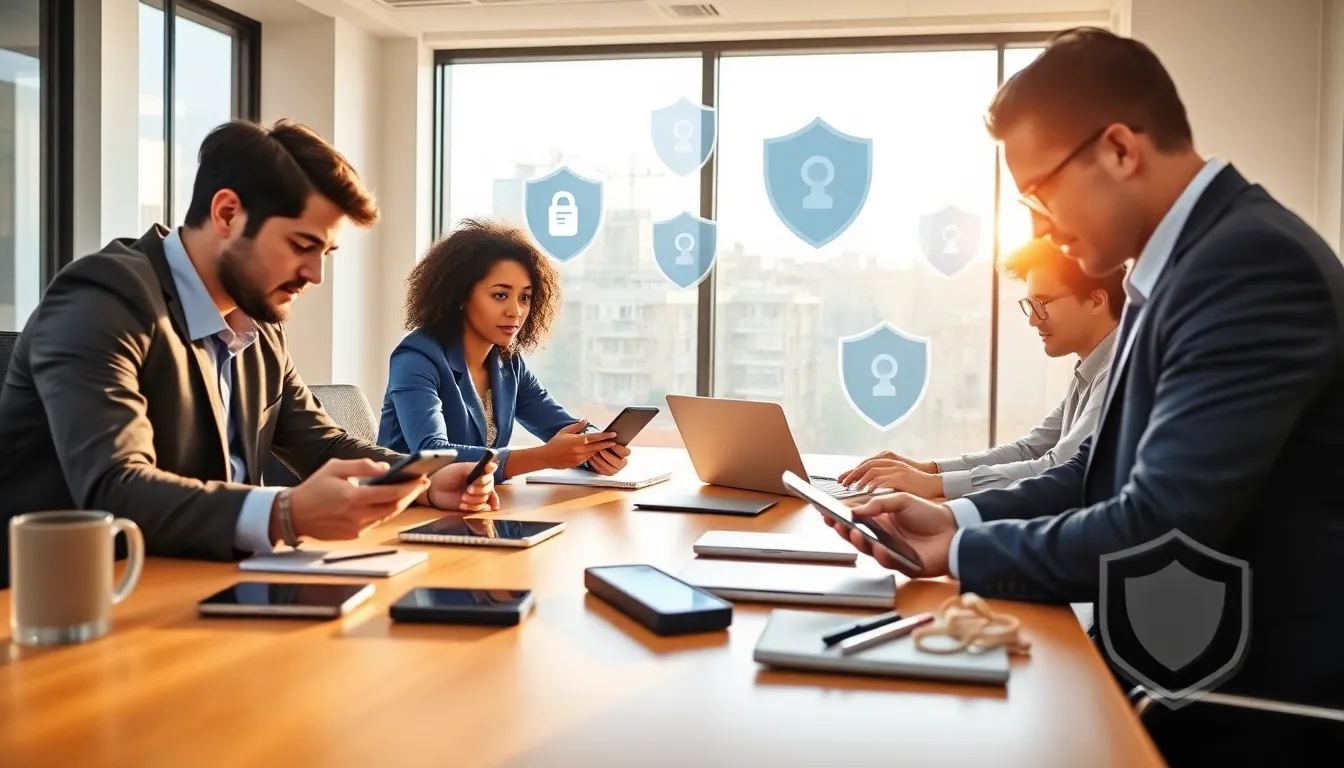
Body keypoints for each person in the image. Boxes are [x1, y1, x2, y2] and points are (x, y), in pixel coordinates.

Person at [823, 27, 1344, 761]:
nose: (1040, 225)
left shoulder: (1249, 267)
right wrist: (950, 519)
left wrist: (966, 548)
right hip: (1165, 670)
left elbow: (1160, 526)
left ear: (1121, 150)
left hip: (1234, 706)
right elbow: (1092, 470)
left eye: (1040, 193)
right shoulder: (1176, 269)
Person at [0, 119, 497, 587]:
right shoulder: (101, 300)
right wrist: (286, 513)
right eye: (302, 245)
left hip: (211, 584)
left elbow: (319, 445)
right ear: (227, 213)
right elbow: (114, 488)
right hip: (83, 599)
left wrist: (428, 481)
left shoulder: (256, 323)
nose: (314, 275)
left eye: (325, 253)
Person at [838, 237, 1122, 499]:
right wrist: (930, 469)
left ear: (1096, 300)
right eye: (1030, 304)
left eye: (1042, 303)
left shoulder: (1118, 373)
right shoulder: (1089, 369)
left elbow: (1058, 467)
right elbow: (1031, 449)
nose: (1033, 321)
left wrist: (933, 484)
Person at [377, 218, 631, 483]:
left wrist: (598, 449)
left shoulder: (508, 364)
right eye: (500, 295)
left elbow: (563, 428)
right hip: (408, 509)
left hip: (477, 506)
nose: (516, 311)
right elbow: (432, 455)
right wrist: (543, 457)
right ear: (460, 295)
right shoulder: (416, 358)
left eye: (525, 297)